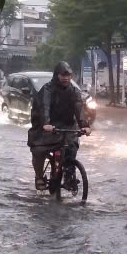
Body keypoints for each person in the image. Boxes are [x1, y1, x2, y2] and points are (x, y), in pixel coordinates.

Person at [28, 61, 88, 189]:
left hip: (67, 125)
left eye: (68, 75)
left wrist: (84, 125)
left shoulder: (74, 91)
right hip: (46, 125)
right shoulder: (47, 89)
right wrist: (46, 123)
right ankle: (39, 176)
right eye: (63, 75)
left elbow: (79, 108)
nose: (66, 78)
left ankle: (68, 176)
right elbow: (45, 107)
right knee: (39, 151)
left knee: (72, 147)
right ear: (56, 75)